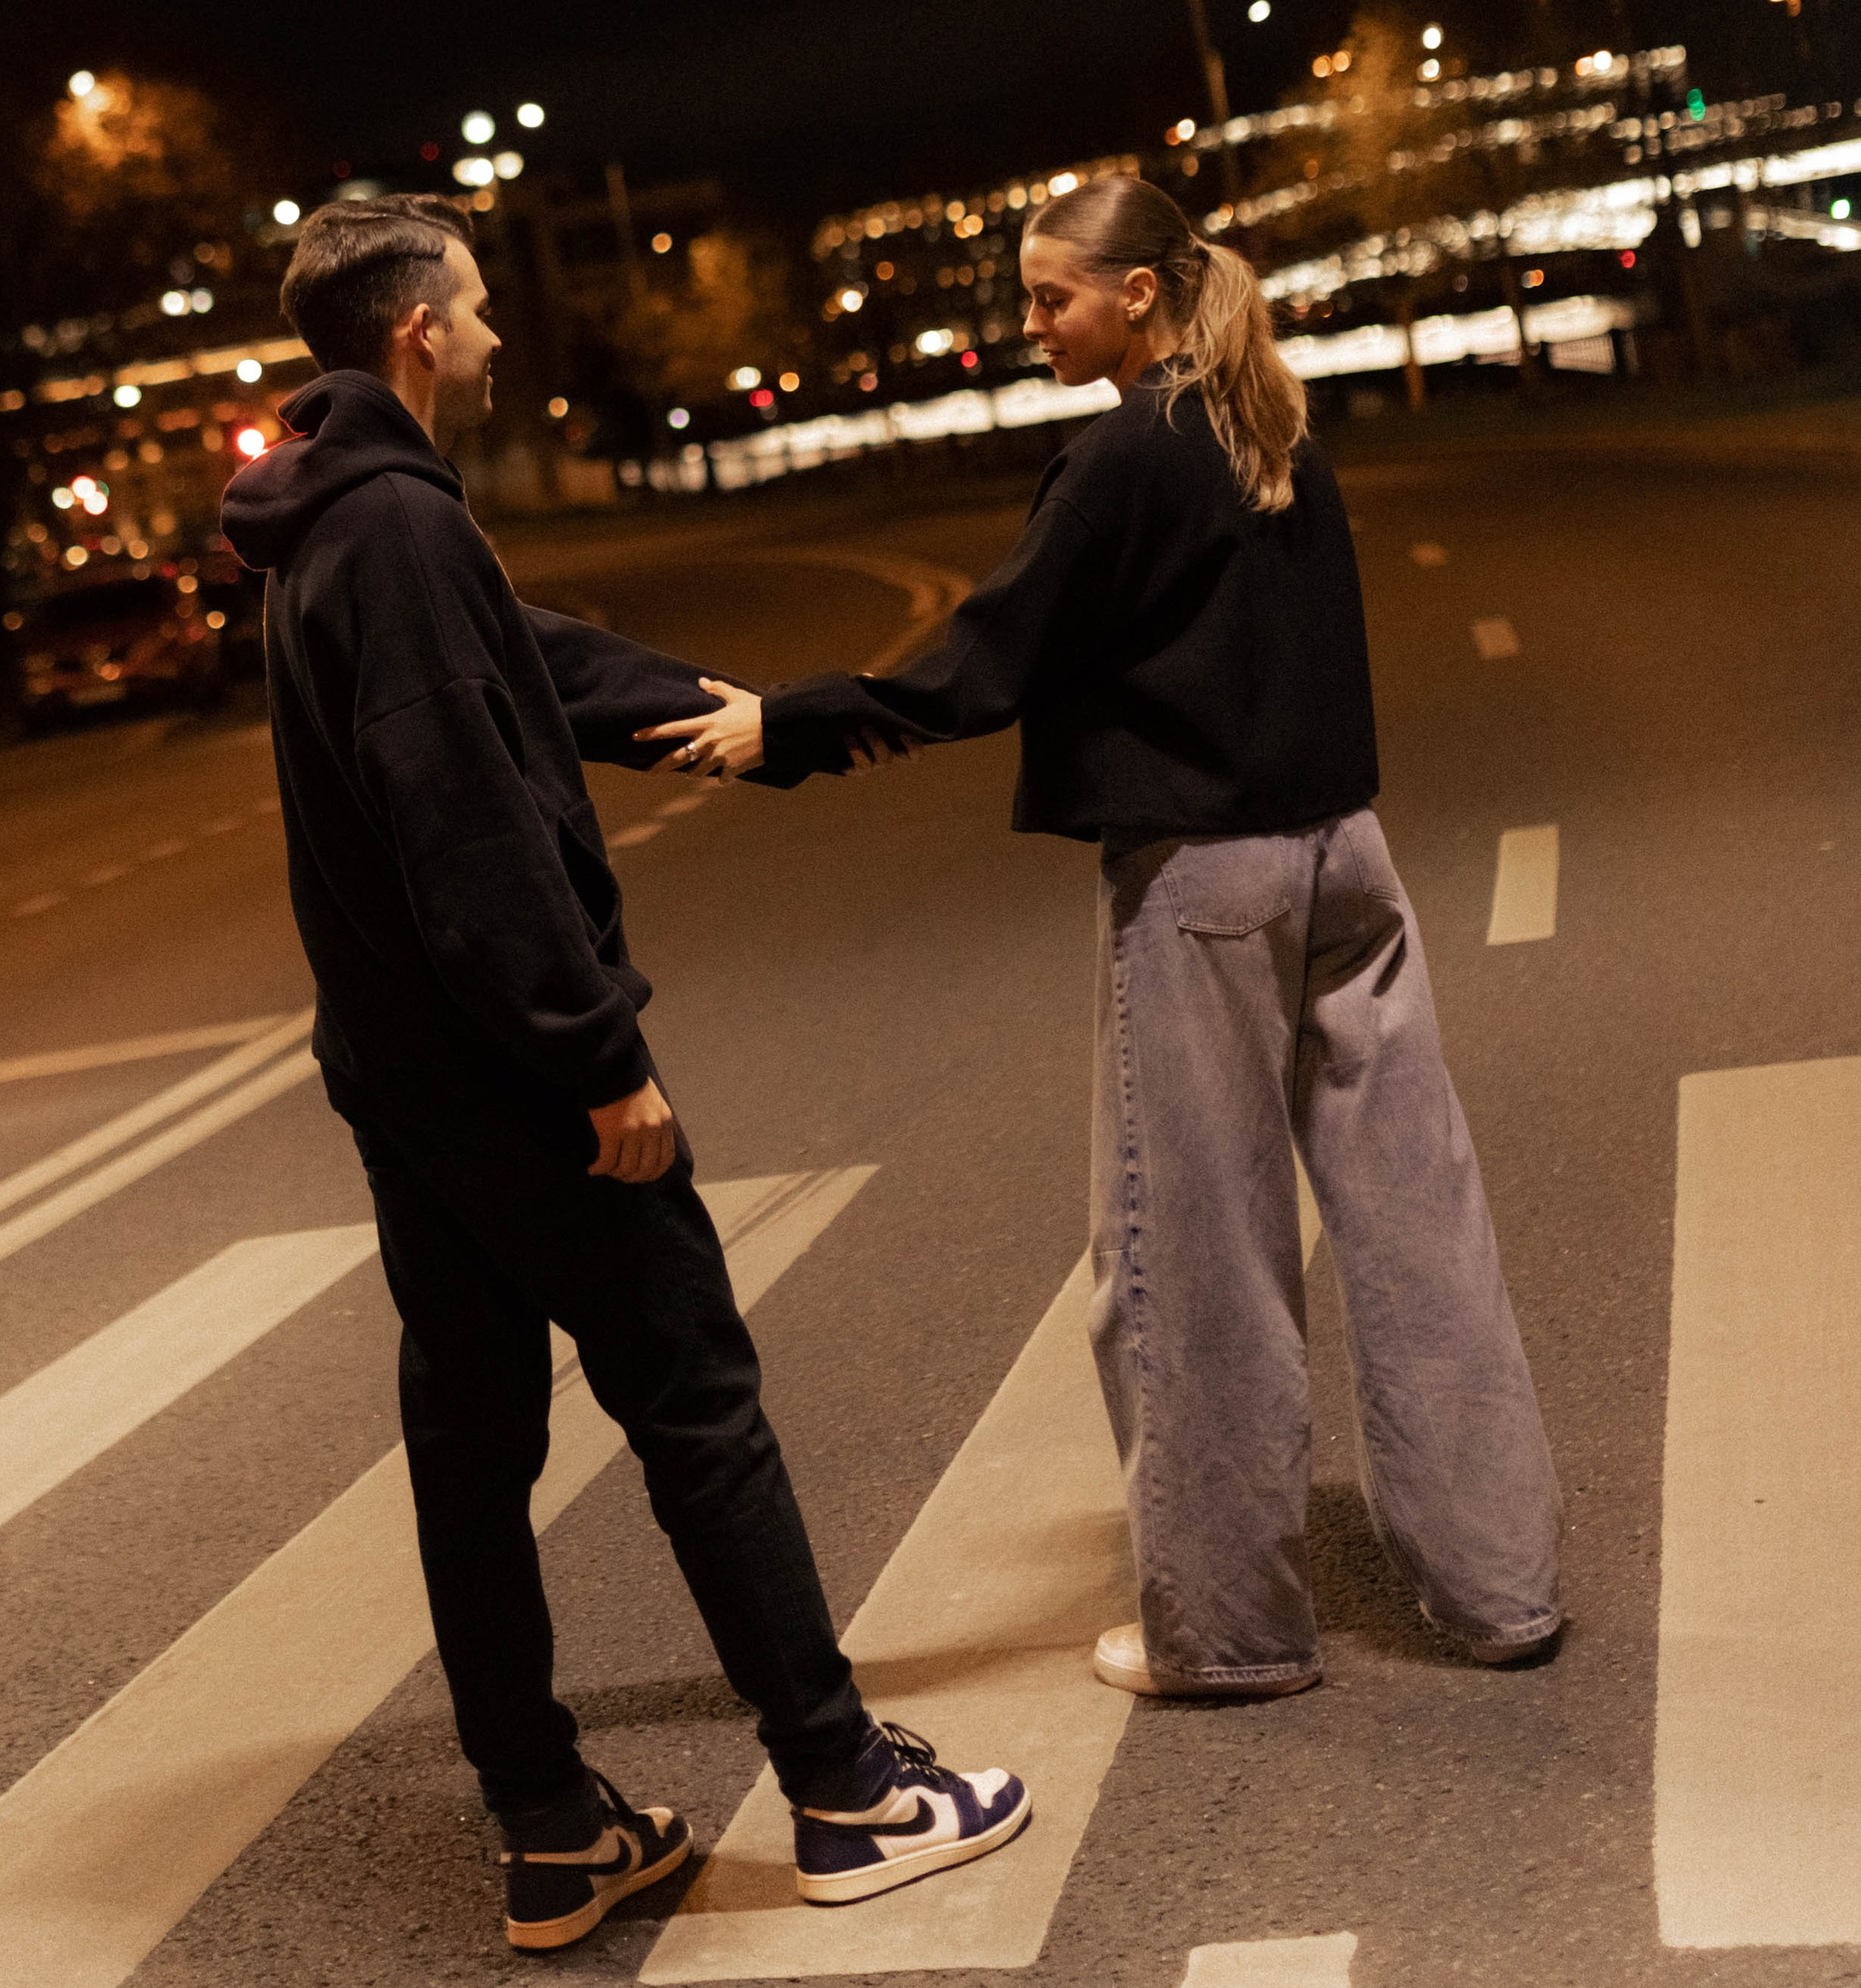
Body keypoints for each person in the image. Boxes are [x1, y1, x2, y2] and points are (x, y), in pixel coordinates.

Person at [220, 194, 1028, 1952]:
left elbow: (532, 670)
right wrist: (596, 1058)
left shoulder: (339, 524)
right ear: (417, 329)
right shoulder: (397, 532)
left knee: (471, 1442)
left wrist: (744, 720)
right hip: (512, 1081)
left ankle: (549, 1826)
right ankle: (843, 1787)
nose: (496, 333)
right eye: (477, 306)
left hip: (407, 1081)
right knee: (696, 1400)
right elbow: (468, 820)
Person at [642, 175, 1563, 1703]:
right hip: (1349, 862)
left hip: (1207, 886)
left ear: (1137, 293)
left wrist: (784, 724)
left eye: (1050, 295)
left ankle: (1232, 1633)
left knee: (1190, 1261)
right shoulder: (1271, 423)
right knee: (1423, 1227)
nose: (1031, 322)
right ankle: (1501, 1586)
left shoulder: (1124, 453)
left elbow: (983, 661)